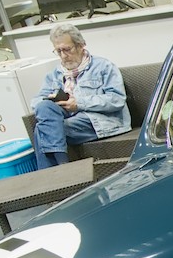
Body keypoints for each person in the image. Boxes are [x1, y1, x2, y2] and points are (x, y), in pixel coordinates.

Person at [29, 23, 130, 169]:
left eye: (67, 49)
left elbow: (117, 99)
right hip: (66, 118)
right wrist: (54, 101)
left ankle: (58, 171)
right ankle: (62, 168)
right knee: (45, 107)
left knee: (43, 130)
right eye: (58, 51)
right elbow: (36, 102)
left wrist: (79, 104)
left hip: (99, 120)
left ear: (81, 45)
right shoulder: (54, 75)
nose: (63, 56)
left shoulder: (103, 66)